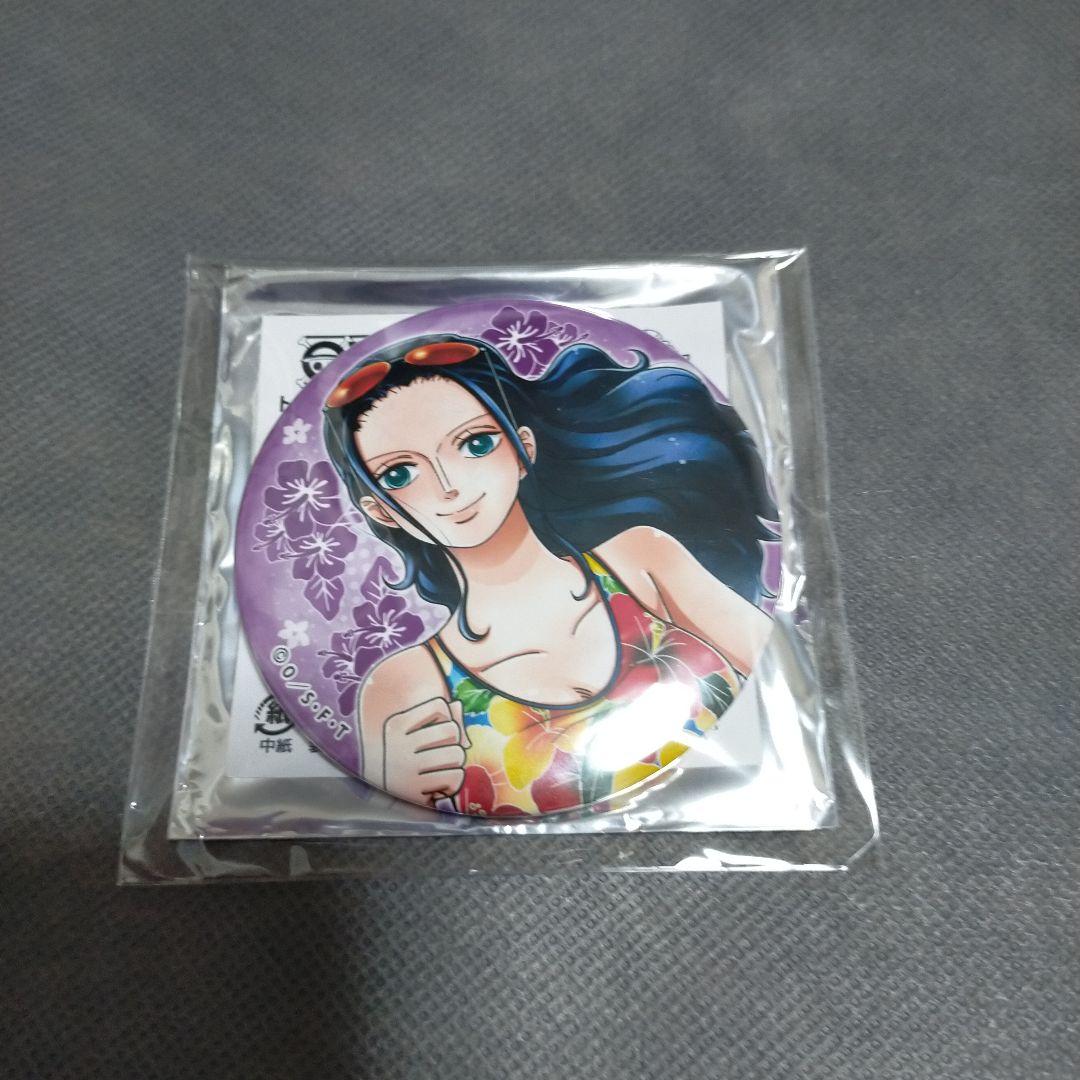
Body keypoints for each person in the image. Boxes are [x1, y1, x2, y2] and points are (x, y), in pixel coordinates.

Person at [323, 334, 775, 815]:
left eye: (475, 444)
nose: (449, 486)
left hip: (739, 806)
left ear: (523, 449)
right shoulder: (406, 682)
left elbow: (781, 675)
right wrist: (396, 787)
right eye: (400, 474)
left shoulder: (640, 559)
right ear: (380, 511)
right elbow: (392, 826)